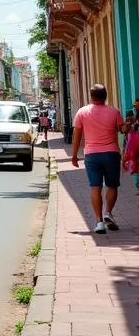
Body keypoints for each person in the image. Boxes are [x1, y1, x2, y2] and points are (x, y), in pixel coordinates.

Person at [71, 84, 126, 234]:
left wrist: (74, 155)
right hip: (111, 154)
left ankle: (99, 222)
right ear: (105, 96)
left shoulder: (82, 112)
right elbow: (122, 129)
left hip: (92, 155)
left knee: (95, 187)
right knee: (112, 186)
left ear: (91, 96)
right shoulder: (114, 112)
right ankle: (108, 212)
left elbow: (77, 136)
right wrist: (126, 125)